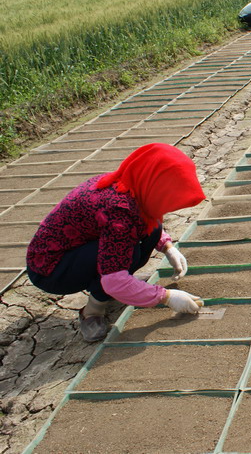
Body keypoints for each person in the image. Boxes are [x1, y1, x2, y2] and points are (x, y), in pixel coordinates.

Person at [26, 143, 207, 343]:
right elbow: (114, 280)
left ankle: (120, 284)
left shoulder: (129, 184)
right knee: (128, 256)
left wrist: (167, 247)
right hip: (51, 270)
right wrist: (167, 297)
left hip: (77, 250)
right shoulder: (119, 211)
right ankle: (92, 311)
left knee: (153, 228)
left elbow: (147, 221)